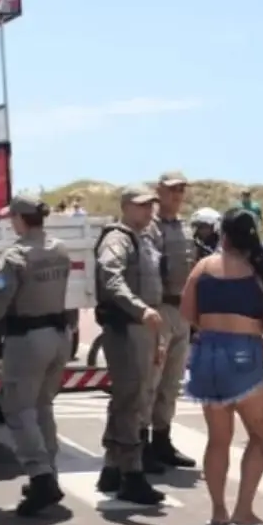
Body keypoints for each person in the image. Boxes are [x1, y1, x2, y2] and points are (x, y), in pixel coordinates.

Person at [180, 207, 263, 525]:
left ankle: (218, 512)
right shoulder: (259, 271)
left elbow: (187, 311)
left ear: (223, 234)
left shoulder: (203, 267)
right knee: (261, 436)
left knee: (218, 439)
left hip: (206, 352)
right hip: (243, 352)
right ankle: (244, 512)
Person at [0, 192, 72, 517]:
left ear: (20, 219)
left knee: (18, 407)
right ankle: (48, 473)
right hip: (60, 335)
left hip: (28, 338)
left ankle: (41, 476)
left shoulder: (15, 256)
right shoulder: (60, 249)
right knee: (42, 406)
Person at [93, 185, 166, 506]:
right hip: (126, 327)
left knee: (129, 397)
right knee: (131, 400)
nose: (148, 210)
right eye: (141, 205)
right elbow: (111, 279)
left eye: (151, 205)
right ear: (125, 206)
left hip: (143, 326)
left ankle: (112, 467)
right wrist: (140, 309)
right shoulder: (117, 239)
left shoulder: (145, 236)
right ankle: (131, 474)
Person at [143, 171, 198, 472]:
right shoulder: (149, 228)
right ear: (158, 191)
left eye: (181, 190)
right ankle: (142, 446)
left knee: (171, 381)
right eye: (172, 189)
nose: (177, 195)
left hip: (182, 311)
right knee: (151, 380)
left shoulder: (184, 228)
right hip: (159, 308)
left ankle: (162, 440)